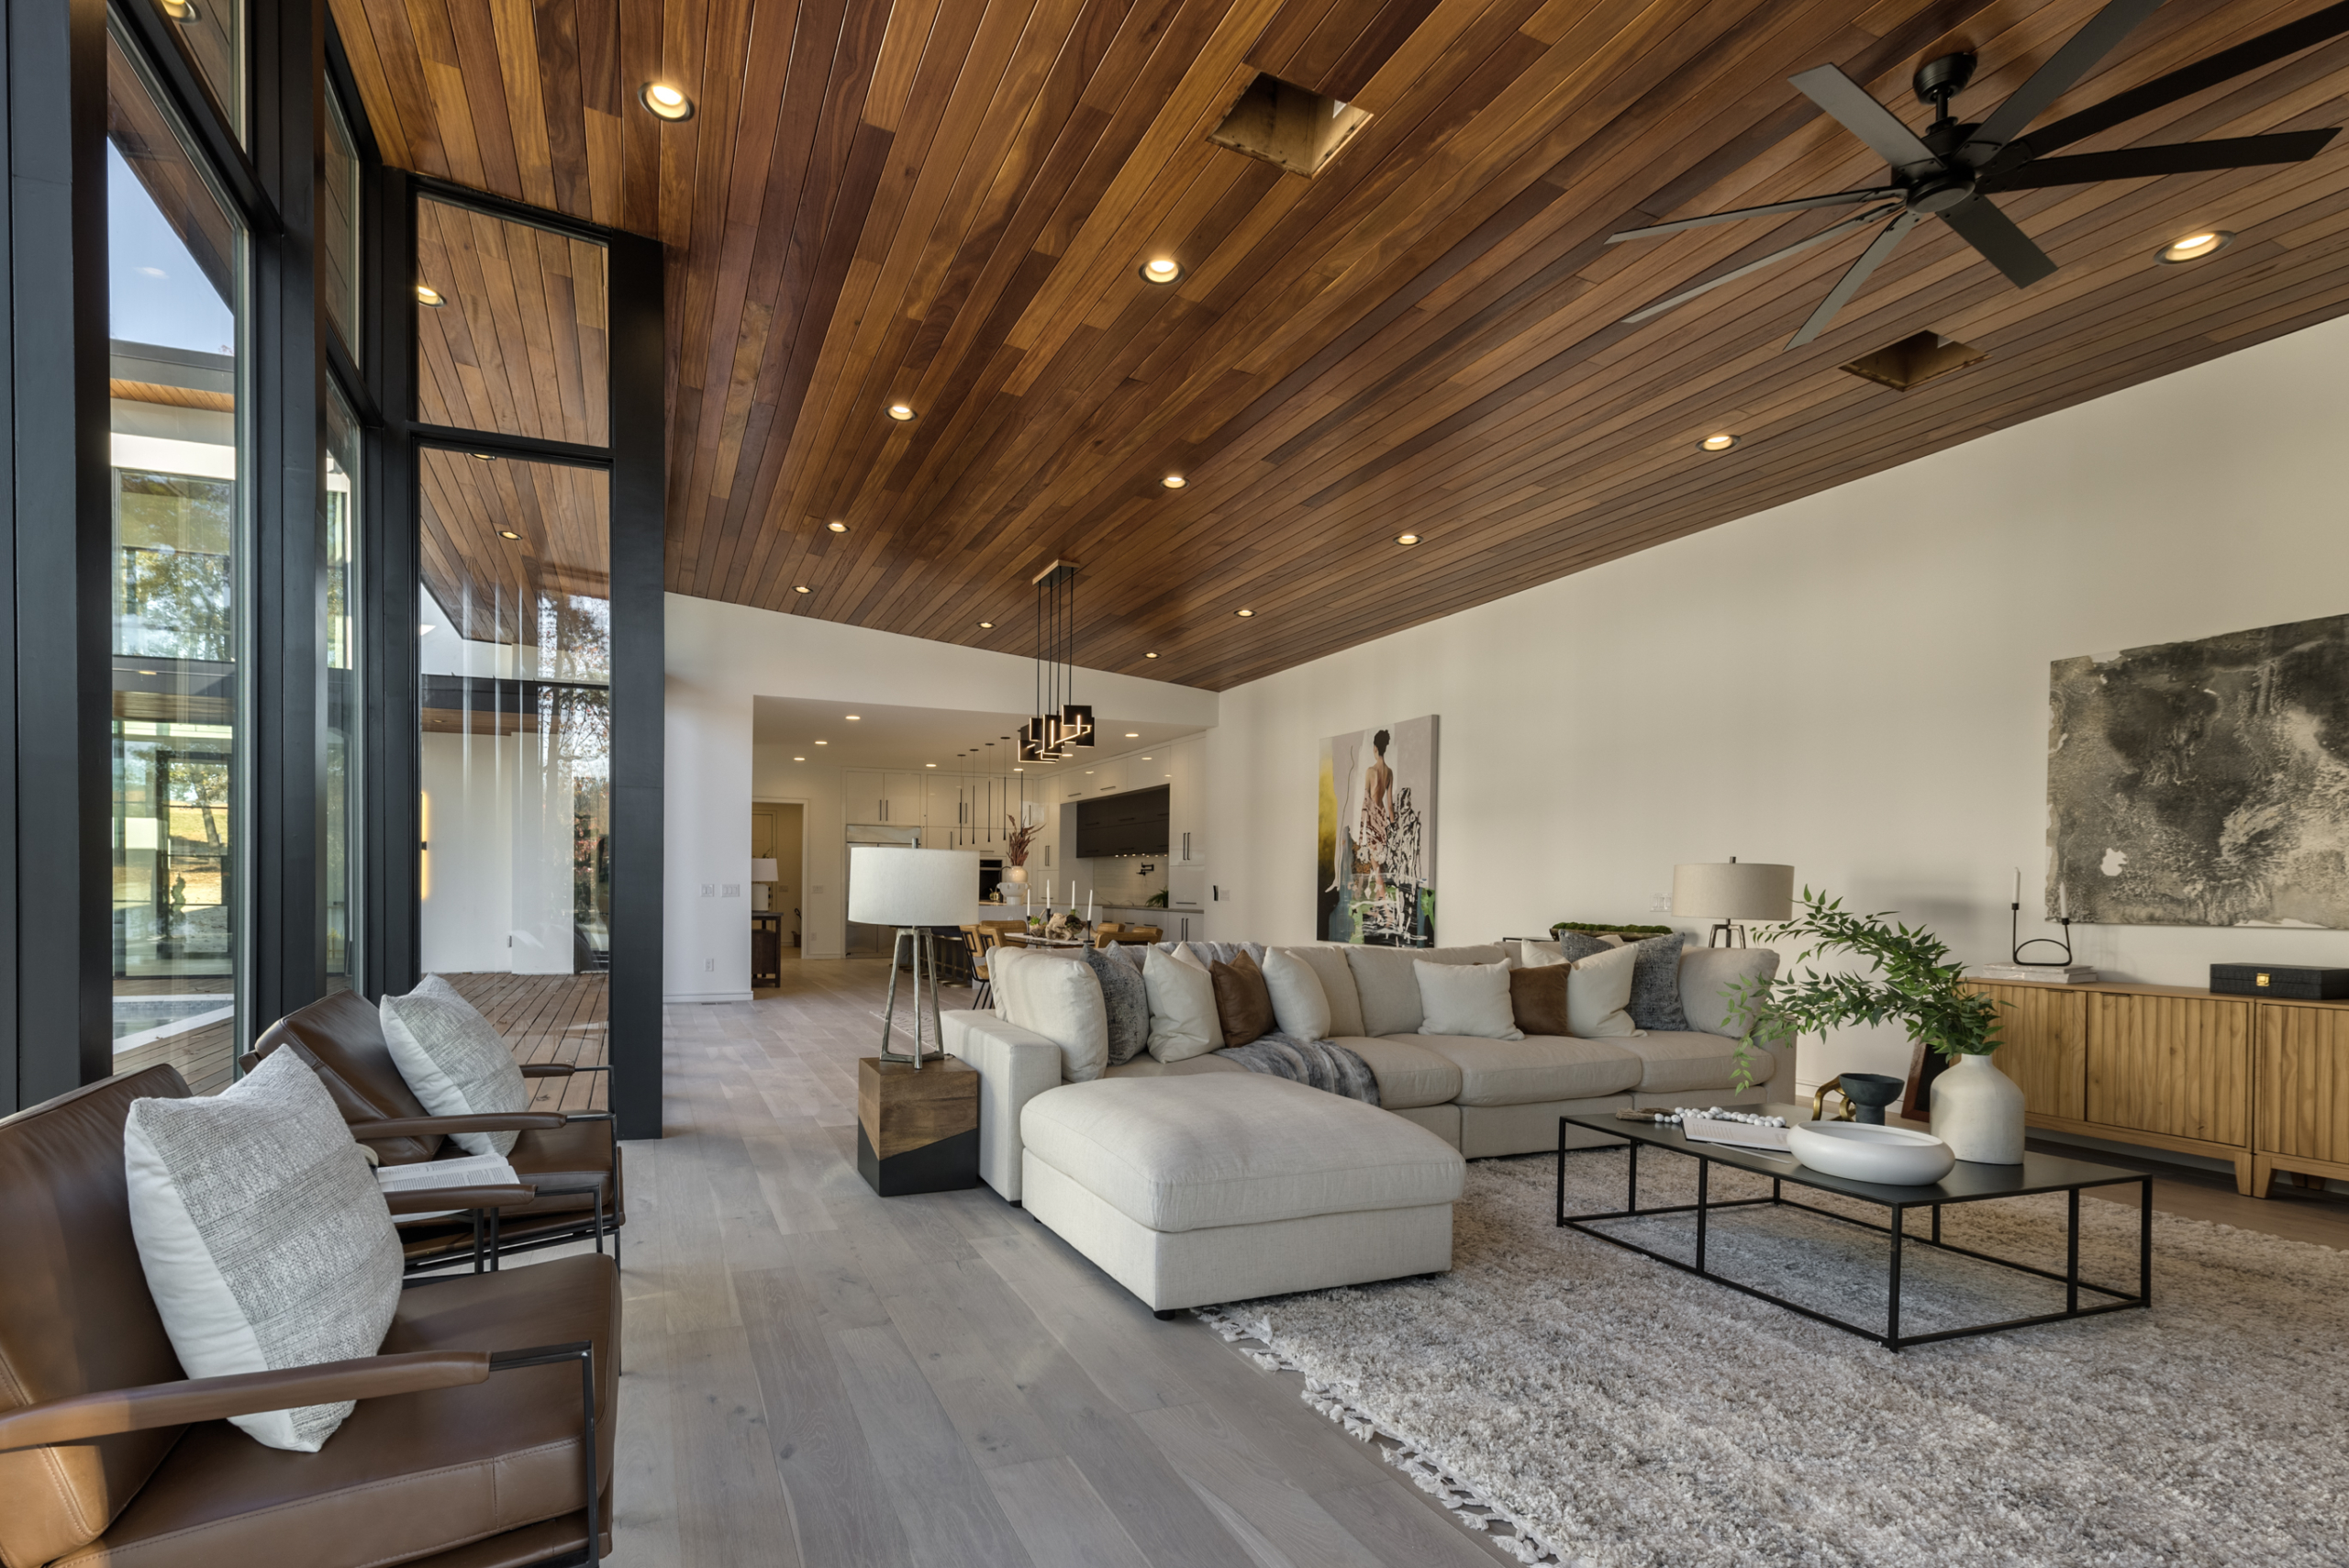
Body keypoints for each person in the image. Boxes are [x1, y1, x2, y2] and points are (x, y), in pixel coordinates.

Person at [1359, 729, 1395, 898]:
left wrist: (1361, 832)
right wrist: (1393, 829)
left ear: (1375, 748)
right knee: (1378, 867)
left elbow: (1366, 804)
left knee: (1377, 869)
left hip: (1372, 822)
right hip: (1383, 822)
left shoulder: (1370, 772)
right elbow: (1389, 805)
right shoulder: (1389, 772)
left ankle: (1386, 908)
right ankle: (1381, 903)